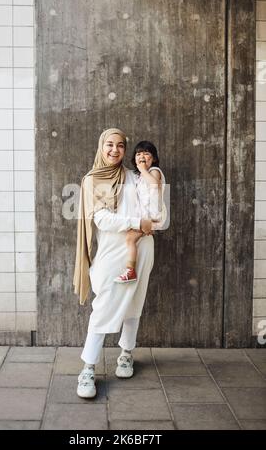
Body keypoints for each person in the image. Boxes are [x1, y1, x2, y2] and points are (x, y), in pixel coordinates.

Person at [73, 128, 154, 399]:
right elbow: (101, 219)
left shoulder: (134, 177)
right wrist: (135, 223)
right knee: (104, 307)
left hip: (142, 248)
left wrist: (146, 224)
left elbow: (153, 213)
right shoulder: (91, 180)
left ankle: (126, 354)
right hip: (111, 253)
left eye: (121, 145)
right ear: (101, 146)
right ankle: (88, 368)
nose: (114, 150)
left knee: (134, 304)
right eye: (109, 144)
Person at [114, 141, 167, 284]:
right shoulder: (139, 177)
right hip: (147, 218)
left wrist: (143, 170)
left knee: (130, 239)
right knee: (130, 238)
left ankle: (130, 270)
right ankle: (130, 270)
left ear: (154, 158)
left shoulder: (154, 171)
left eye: (146, 153)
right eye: (138, 154)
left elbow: (155, 184)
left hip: (153, 217)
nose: (142, 156)